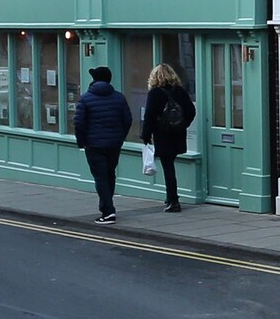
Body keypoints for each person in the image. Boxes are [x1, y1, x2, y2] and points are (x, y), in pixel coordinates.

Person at [72, 65, 132, 224]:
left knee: (100, 177)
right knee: (110, 174)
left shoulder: (85, 98)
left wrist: (82, 142)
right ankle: (107, 206)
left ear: (94, 80)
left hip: (94, 145)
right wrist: (120, 138)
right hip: (114, 144)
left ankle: (107, 211)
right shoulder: (119, 97)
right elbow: (127, 120)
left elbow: (79, 123)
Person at [140, 63, 197, 213]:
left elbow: (149, 116)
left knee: (168, 167)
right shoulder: (180, 91)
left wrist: (146, 135)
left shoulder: (155, 93)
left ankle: (173, 200)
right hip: (177, 133)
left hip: (163, 134)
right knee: (169, 164)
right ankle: (170, 198)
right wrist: (183, 124)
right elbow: (191, 111)